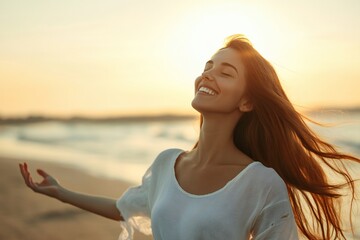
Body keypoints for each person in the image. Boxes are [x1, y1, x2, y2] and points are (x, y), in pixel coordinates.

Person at [19, 35, 360, 240]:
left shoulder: (261, 183)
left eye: (225, 72)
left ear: (247, 101)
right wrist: (61, 193)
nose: (206, 74)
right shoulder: (167, 163)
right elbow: (127, 208)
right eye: (207, 66)